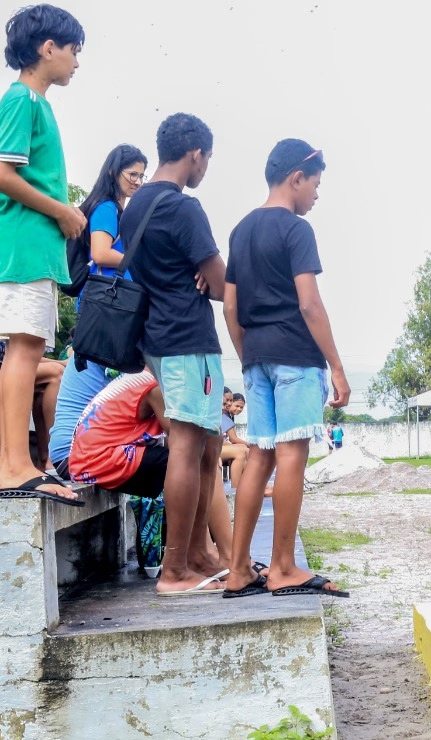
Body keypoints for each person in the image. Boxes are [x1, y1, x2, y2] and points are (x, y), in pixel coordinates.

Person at [221, 138, 351, 600]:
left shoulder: (241, 231)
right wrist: (336, 366)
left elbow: (230, 306)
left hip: (255, 357)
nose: (316, 194)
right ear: (297, 177)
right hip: (296, 356)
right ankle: (282, 567)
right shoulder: (296, 230)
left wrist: (246, 353)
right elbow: (310, 304)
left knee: (260, 456)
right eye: (316, 184)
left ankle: (238, 570)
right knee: (293, 455)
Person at [118, 113, 231, 594]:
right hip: (187, 337)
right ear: (196, 154)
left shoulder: (135, 206)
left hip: (157, 338)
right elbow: (223, 285)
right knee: (187, 447)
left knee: (207, 448)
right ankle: (174, 569)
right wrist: (211, 276)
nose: (205, 169)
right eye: (207, 160)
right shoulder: (185, 209)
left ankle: (200, 555)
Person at [0, 4, 84, 506]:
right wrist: (64, 211)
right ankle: (15, 466)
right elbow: (3, 174)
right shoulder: (21, 100)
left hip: (37, 250)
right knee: (24, 351)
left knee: (29, 351)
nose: (76, 61)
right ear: (47, 48)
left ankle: (17, 463)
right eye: (73, 50)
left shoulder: (37, 104)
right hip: (24, 247)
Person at [68, 370, 234, 576]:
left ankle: (219, 554)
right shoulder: (156, 384)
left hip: (94, 458)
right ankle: (213, 554)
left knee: (202, 459)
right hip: (100, 459)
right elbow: (182, 439)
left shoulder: (147, 376)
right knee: (199, 464)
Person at [77, 142, 145, 283]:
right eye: (133, 174)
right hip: (106, 298)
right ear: (113, 171)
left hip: (112, 297)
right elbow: (101, 254)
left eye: (141, 176)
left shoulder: (114, 209)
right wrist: (141, 263)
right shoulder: (106, 208)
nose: (138, 182)